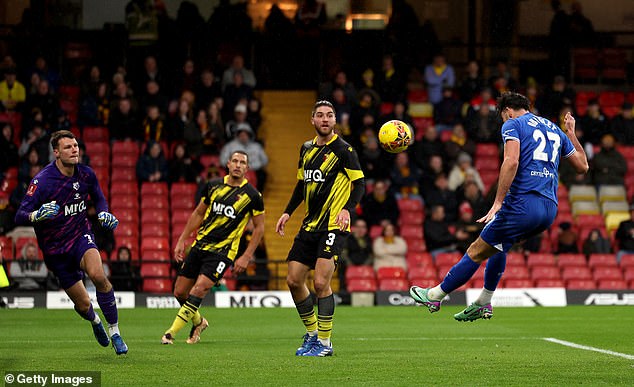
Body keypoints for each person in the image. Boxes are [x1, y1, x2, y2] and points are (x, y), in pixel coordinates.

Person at [410, 91, 588, 321]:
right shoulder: (554, 128)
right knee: (499, 244)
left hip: (523, 204)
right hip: (549, 209)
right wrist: (571, 134)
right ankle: (484, 301)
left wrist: (498, 202)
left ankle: (435, 294)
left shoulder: (513, 124)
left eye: (503, 117)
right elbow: (583, 166)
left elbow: (511, 161)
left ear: (507, 111)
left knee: (476, 249)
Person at [14, 130, 128, 354]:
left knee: (98, 276)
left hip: (80, 237)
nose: (74, 149)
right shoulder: (42, 181)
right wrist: (36, 215)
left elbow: (99, 198)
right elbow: (20, 215)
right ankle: (96, 322)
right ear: (56, 153)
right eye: (68, 147)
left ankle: (115, 332)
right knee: (83, 304)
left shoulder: (86, 174)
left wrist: (104, 213)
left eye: (75, 146)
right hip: (55, 251)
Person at [275, 100, 364, 357]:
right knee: (293, 280)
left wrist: (347, 208)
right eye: (320, 115)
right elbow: (301, 185)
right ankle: (312, 335)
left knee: (321, 281)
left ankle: (324, 344)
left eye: (330, 115)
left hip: (333, 225)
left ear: (335, 121)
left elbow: (359, 185)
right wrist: (287, 212)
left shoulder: (345, 150)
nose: (325, 119)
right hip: (309, 225)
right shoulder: (305, 149)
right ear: (312, 120)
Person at [161, 150, 265, 345]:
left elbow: (260, 228)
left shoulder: (252, 195)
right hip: (200, 246)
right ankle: (199, 322)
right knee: (180, 292)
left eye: (242, 162)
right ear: (227, 164)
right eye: (234, 161)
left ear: (247, 168)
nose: (238, 165)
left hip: (223, 252)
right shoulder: (212, 186)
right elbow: (198, 214)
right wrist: (182, 239)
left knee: (199, 288)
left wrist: (246, 256)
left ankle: (170, 333)